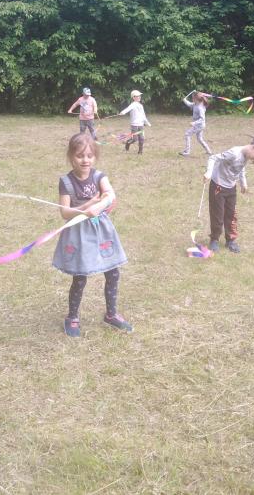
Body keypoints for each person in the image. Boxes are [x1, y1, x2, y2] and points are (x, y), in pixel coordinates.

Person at [53, 133, 131, 337]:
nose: (85, 160)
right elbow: (65, 213)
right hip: (79, 234)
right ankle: (72, 317)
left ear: (95, 156)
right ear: (71, 156)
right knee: (80, 277)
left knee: (113, 272)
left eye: (89, 155)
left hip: (101, 232)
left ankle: (111, 314)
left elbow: (110, 194)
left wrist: (102, 204)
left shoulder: (99, 177)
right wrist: (86, 207)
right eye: (80, 156)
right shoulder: (66, 182)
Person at [203, 138, 254, 253]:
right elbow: (213, 158)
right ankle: (214, 239)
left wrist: (243, 183)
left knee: (231, 215)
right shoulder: (234, 153)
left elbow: (241, 169)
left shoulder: (246, 156)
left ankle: (230, 240)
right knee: (217, 214)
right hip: (218, 186)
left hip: (231, 188)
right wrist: (209, 172)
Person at [180, 90, 211, 156]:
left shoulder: (200, 108)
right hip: (200, 125)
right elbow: (189, 104)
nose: (192, 99)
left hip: (199, 125)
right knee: (200, 139)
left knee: (187, 134)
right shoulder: (195, 104)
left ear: (196, 99)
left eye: (193, 98)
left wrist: (194, 123)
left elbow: (202, 119)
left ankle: (187, 152)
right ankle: (209, 151)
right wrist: (184, 100)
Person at [119, 89, 151, 154]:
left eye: (139, 96)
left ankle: (140, 152)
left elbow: (143, 115)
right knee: (134, 139)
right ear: (133, 97)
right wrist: (123, 112)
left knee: (142, 138)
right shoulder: (133, 104)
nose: (139, 97)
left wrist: (147, 122)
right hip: (134, 125)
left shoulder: (141, 106)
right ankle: (127, 144)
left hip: (141, 125)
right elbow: (127, 109)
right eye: (137, 96)